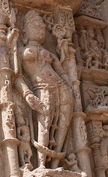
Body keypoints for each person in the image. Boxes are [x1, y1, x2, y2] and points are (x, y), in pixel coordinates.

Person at [15, 10, 74, 168]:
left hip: (61, 86)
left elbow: (61, 71)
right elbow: (16, 76)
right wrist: (26, 94)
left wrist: (64, 52)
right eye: (36, 23)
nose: (41, 26)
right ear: (25, 30)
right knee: (45, 121)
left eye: (42, 23)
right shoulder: (21, 51)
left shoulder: (49, 53)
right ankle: (41, 164)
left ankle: (55, 164)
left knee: (63, 122)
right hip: (41, 86)